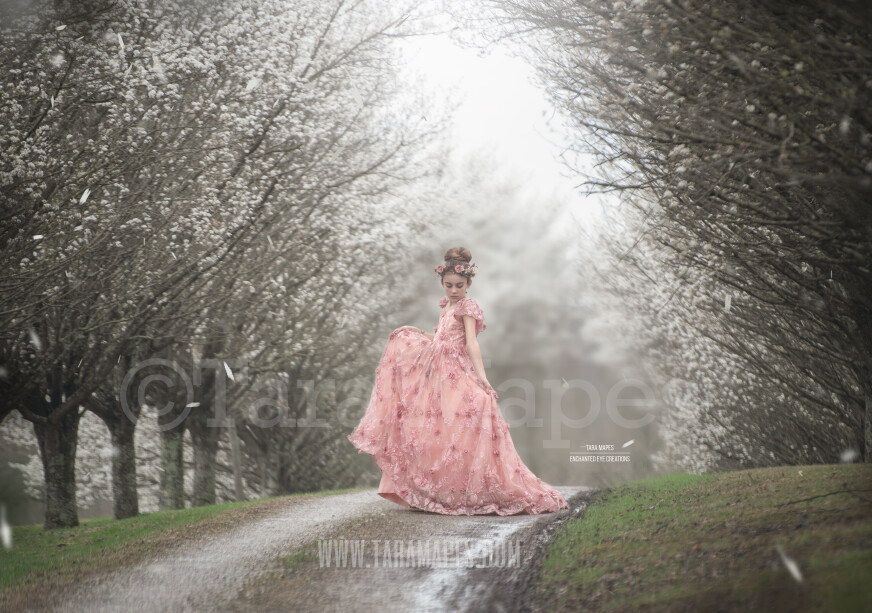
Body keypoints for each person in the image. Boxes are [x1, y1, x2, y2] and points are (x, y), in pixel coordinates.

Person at [347, 246, 569, 515]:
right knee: (435, 427)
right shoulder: (447, 306)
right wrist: (415, 333)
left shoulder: (467, 307)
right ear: (442, 283)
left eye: (459, 285)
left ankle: (472, 489)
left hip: (457, 371)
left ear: (469, 284)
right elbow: (440, 340)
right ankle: (439, 489)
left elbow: (471, 344)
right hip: (438, 374)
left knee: (473, 411)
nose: (453, 290)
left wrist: (483, 379)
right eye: (449, 285)